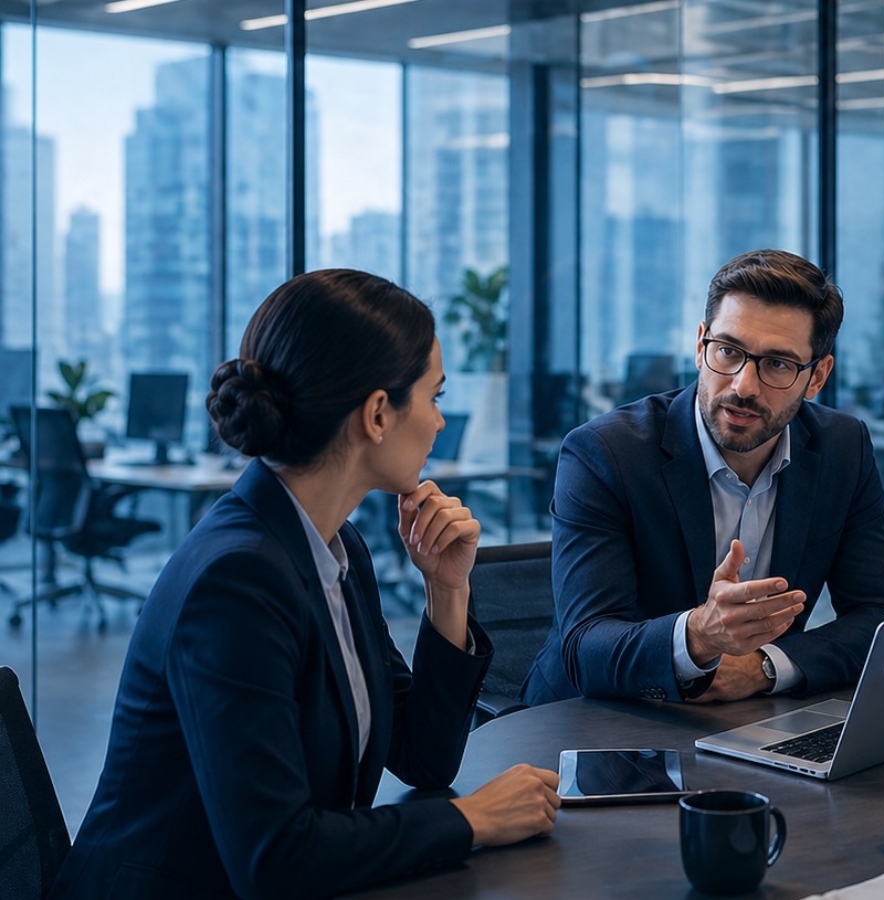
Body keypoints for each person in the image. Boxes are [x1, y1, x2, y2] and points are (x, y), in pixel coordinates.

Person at [51, 270, 561, 900]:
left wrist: (447, 590)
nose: (437, 422)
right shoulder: (236, 579)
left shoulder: (334, 547)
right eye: (433, 397)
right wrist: (472, 818)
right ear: (378, 413)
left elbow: (423, 758)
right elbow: (276, 859)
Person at [520, 249, 884, 705]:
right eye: (728, 351)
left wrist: (765, 667)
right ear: (700, 343)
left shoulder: (842, 448)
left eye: (777, 364)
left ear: (818, 376)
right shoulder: (606, 453)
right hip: (587, 727)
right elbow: (585, 647)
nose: (744, 386)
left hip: (744, 721)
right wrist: (698, 637)